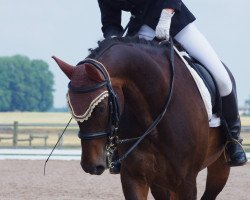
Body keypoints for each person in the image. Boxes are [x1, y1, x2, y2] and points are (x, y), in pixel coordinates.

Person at [97, 0, 247, 173]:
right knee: (124, 85)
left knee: (222, 79)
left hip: (175, 22)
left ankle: (232, 140)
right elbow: (110, 22)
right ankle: (119, 147)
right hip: (140, 31)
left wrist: (167, 14)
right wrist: (113, 40)